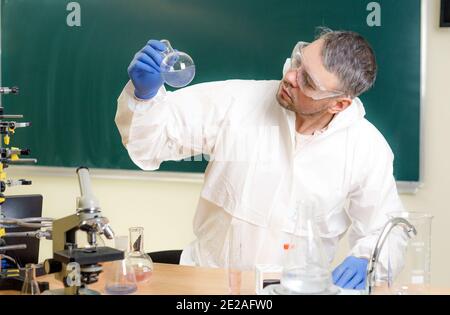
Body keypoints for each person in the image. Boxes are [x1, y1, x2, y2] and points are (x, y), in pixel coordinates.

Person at [115, 28, 405, 290]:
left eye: (307, 80)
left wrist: (367, 258)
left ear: (339, 104)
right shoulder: (237, 102)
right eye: (298, 61)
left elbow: (387, 231)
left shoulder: (366, 148)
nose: (291, 76)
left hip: (294, 289)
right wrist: (145, 96)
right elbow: (148, 147)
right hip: (209, 282)